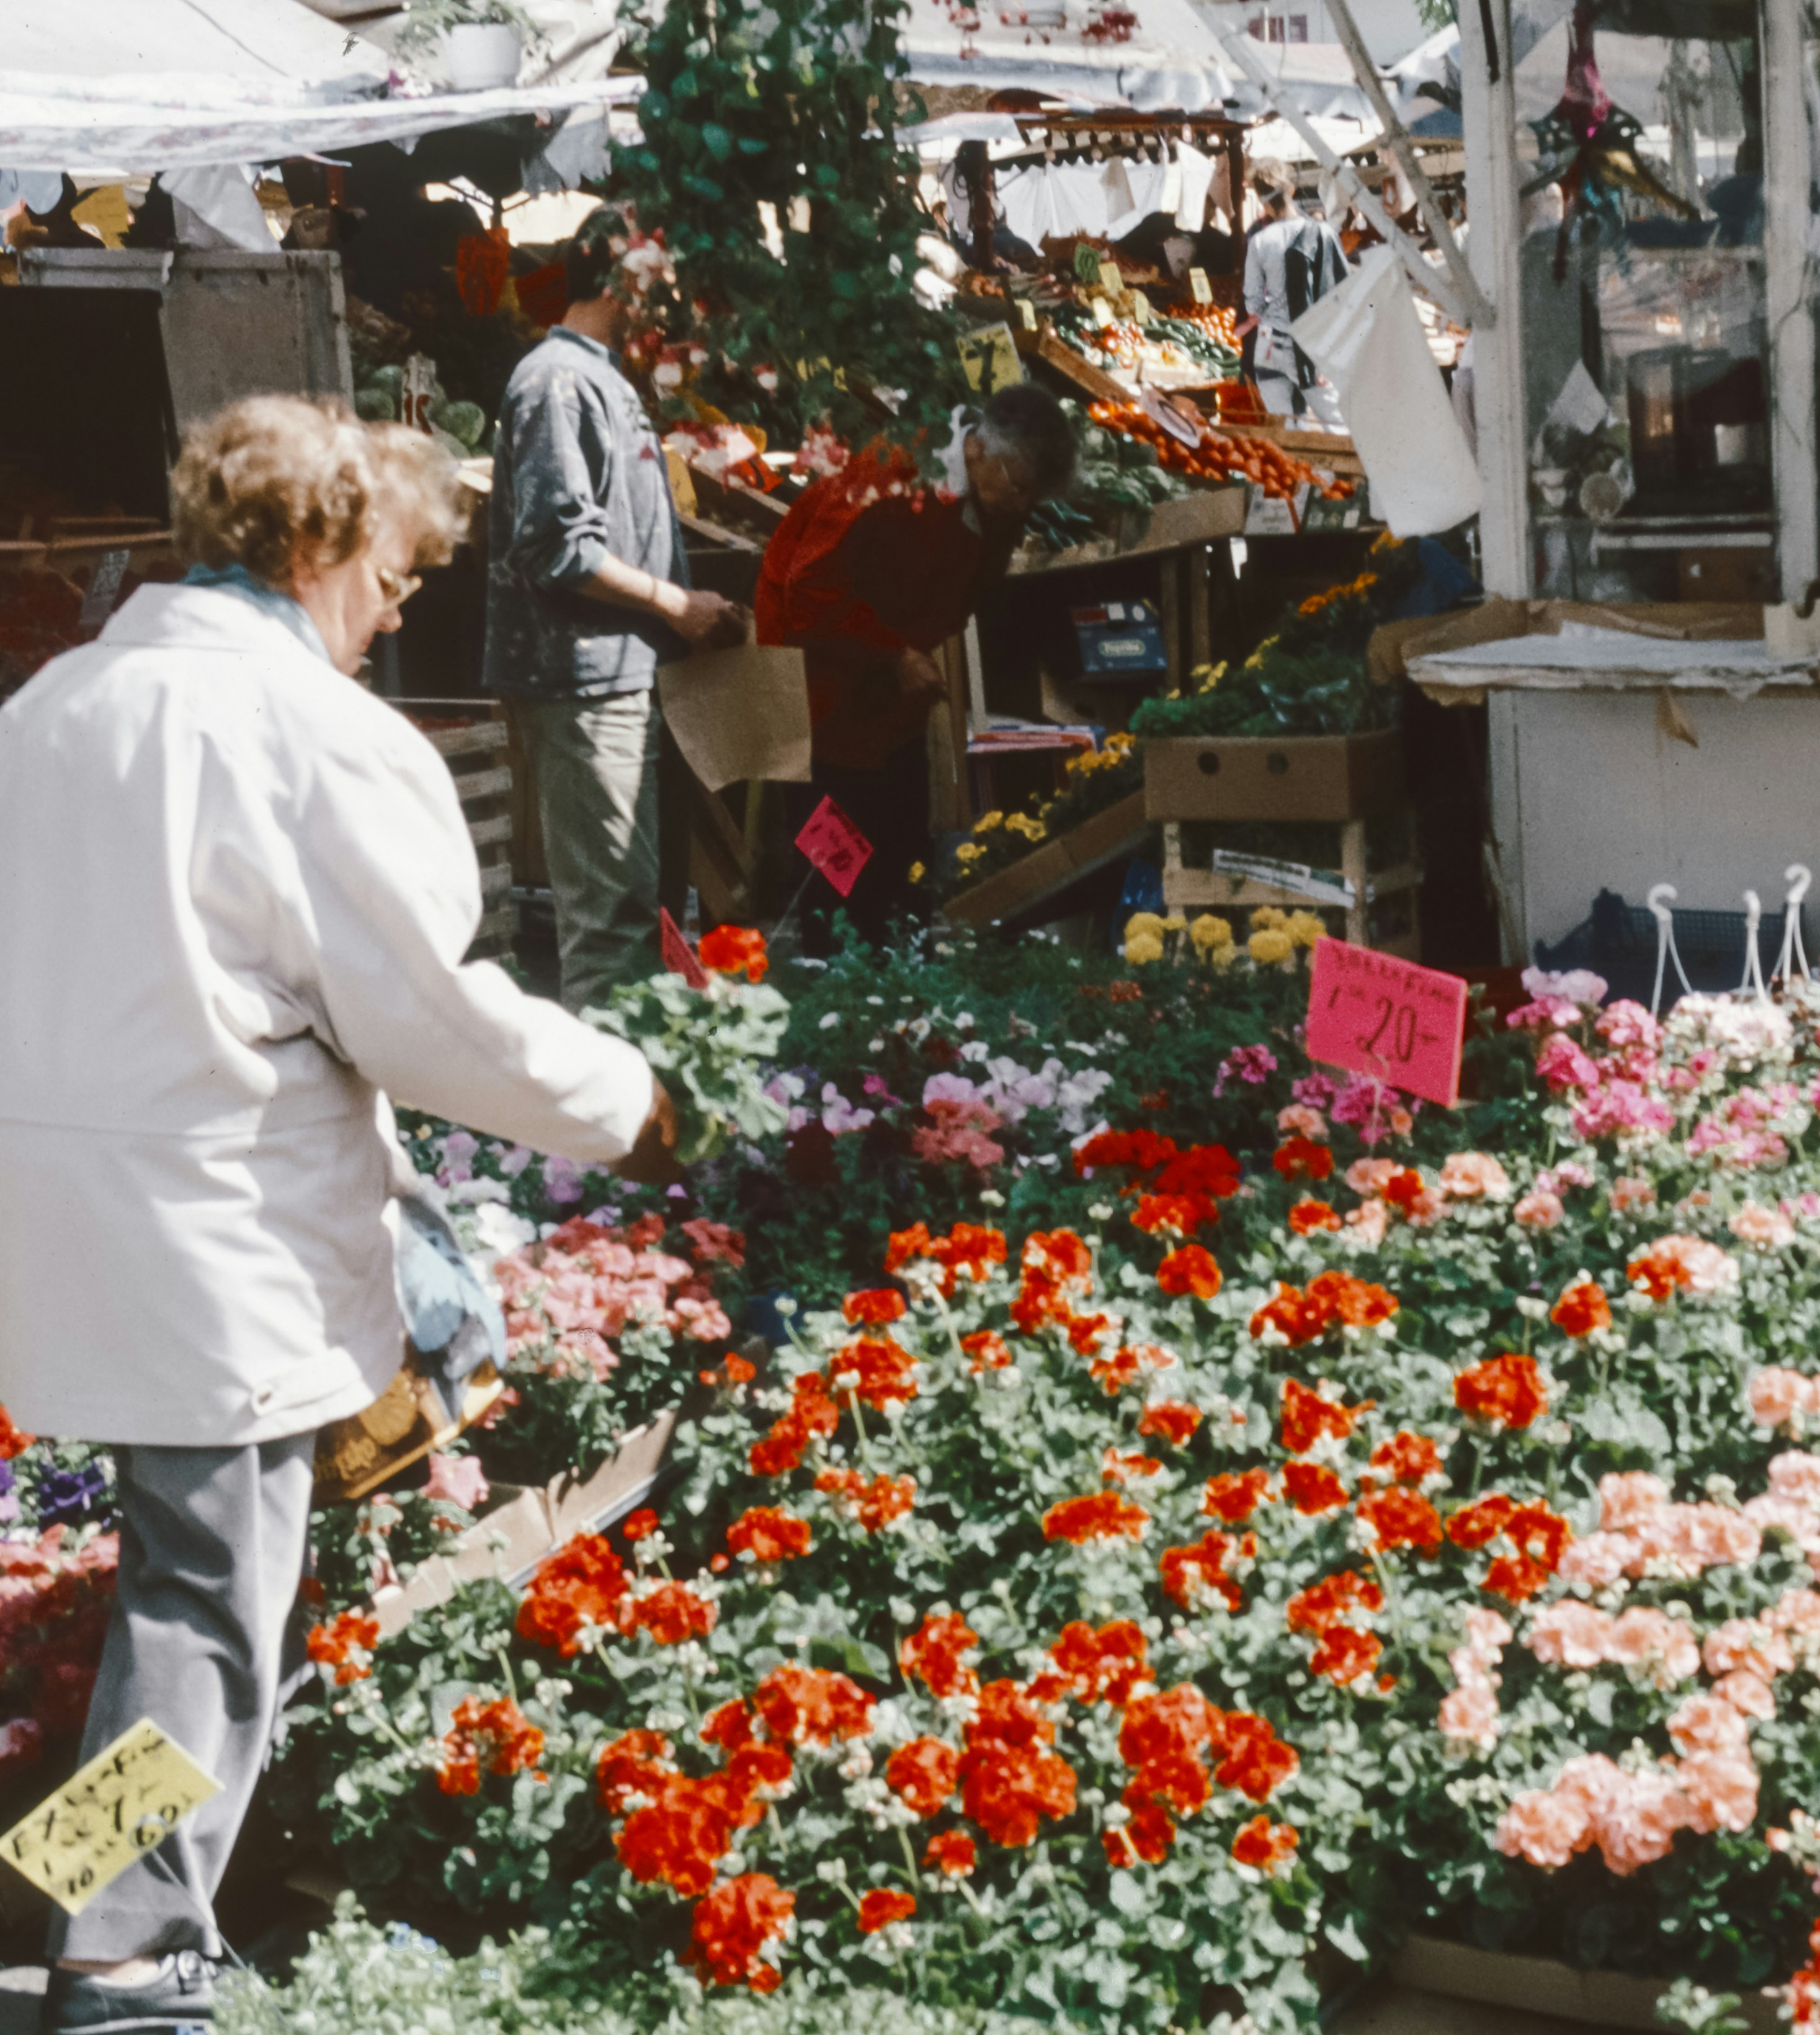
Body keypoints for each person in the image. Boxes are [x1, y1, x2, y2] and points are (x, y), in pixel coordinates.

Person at [0, 396, 684, 2035]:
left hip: (77, 1219)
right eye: (397, 579)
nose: (396, 614)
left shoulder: (56, 705)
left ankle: (60, 1897)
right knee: (205, 1613)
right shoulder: (310, 736)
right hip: (208, 1240)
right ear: (327, 547)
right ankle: (114, 1973)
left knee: (210, 1568)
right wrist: (635, 1108)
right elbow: (430, 1021)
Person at [484, 212, 745, 1009]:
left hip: (626, 679)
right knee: (611, 931)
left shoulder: (600, 377)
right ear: (619, 282)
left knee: (647, 916)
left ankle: (647, 1114)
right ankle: (604, 1129)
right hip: (587, 686)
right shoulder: (555, 381)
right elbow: (556, 547)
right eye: (661, 292)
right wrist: (677, 603)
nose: (670, 314)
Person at [752, 385, 1077, 933]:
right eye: (1018, 487)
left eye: (1033, 497)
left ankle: (902, 971)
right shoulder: (892, 471)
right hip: (817, 675)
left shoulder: (995, 503)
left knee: (903, 847)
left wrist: (906, 656)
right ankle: (834, 970)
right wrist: (892, 651)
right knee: (837, 860)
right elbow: (807, 589)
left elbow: (969, 588)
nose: (1021, 507)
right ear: (976, 450)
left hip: (887, 686)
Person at [1239, 166, 1349, 424]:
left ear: (1263, 202)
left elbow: (1253, 305)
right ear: (1292, 190)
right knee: (1336, 428)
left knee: (1287, 432)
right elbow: (1343, 293)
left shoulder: (1260, 241)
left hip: (1269, 349)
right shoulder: (1324, 233)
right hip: (1313, 348)